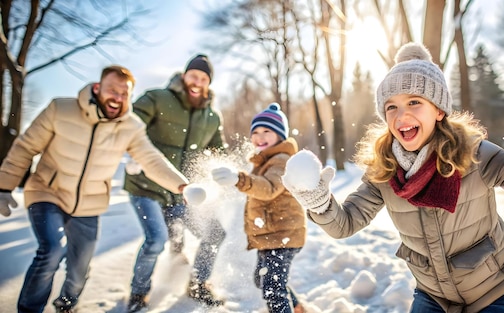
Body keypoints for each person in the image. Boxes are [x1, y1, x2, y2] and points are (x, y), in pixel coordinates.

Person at [282, 42, 504, 313]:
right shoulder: (384, 171)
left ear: (438, 110)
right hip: (433, 296)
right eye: (391, 107)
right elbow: (345, 224)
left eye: (414, 102)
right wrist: (319, 201)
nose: (401, 116)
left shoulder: (474, 154)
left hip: (494, 289)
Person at [0, 65, 190, 313]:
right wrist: (5, 185)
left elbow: (151, 160)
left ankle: (67, 305)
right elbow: (26, 147)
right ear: (98, 88)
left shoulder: (130, 127)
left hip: (89, 203)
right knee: (52, 250)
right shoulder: (61, 109)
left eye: (124, 94)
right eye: (113, 90)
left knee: (79, 268)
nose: (118, 98)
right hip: (48, 192)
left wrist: (181, 185)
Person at [123, 54, 226, 311]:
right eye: (193, 75)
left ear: (208, 83)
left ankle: (197, 284)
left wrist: (229, 170)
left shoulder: (211, 117)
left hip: (181, 194)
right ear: (184, 75)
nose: (197, 82)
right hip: (146, 187)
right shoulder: (158, 98)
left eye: (203, 78)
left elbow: (218, 151)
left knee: (214, 233)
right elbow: (129, 124)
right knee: (156, 240)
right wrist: (132, 152)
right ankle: (138, 296)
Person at [211, 103, 306, 313]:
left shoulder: (281, 160)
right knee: (264, 280)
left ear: (280, 136)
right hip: (271, 235)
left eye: (267, 131)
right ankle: (297, 307)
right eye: (255, 132)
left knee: (272, 286)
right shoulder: (266, 160)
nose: (259, 136)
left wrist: (239, 179)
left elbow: (269, 188)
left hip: (283, 235)